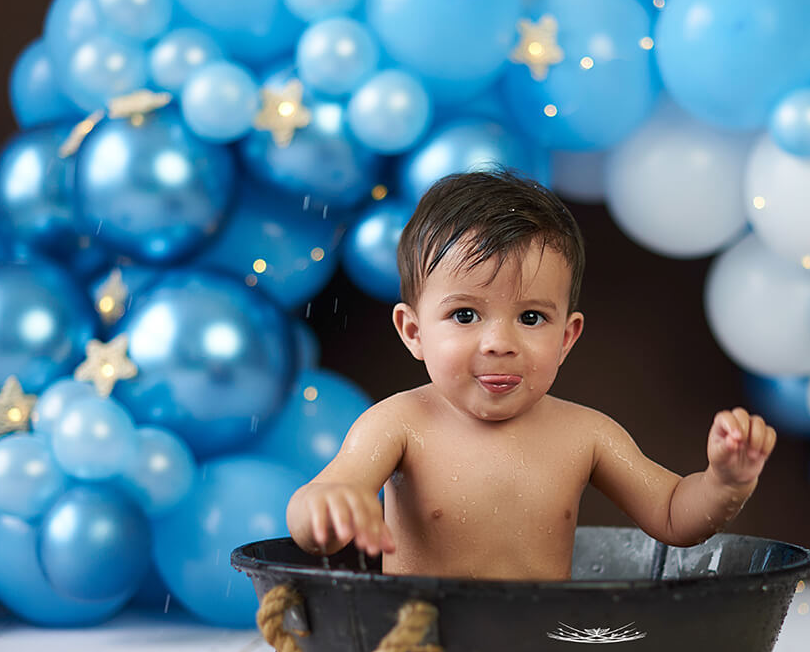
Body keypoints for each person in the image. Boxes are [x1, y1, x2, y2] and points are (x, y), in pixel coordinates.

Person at [285, 169, 776, 580]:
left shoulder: (586, 435)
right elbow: (319, 500)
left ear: (566, 337)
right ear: (413, 331)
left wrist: (725, 483)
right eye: (464, 315)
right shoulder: (398, 424)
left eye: (531, 318)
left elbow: (673, 514)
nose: (500, 342)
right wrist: (328, 508)